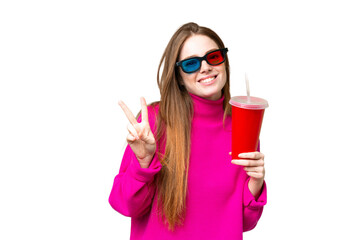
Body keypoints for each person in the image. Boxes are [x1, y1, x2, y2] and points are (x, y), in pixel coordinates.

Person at [109, 22, 267, 240]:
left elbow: (244, 223)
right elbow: (125, 205)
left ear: (224, 62)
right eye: (191, 64)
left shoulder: (243, 126)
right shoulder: (155, 120)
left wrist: (255, 184)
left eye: (213, 57)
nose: (205, 68)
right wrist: (143, 163)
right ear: (179, 77)